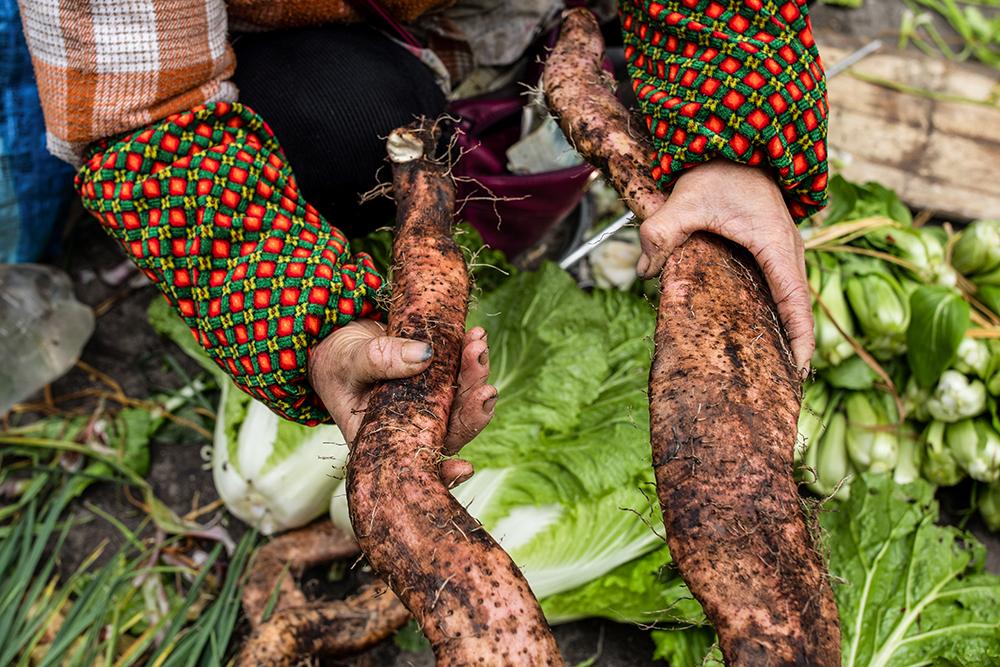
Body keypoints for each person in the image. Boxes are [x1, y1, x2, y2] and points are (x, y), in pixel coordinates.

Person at [15, 0, 827, 466]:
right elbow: (151, 119)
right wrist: (306, 317)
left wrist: (735, 148)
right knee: (356, 126)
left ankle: (541, 72)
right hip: (292, 25)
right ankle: (385, 177)